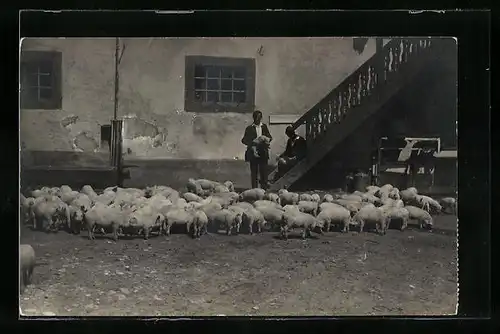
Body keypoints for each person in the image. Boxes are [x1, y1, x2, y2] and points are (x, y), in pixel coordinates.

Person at [241, 110, 273, 189]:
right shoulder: (250, 128)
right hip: (253, 152)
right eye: (256, 118)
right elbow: (244, 140)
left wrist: (265, 139)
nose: (258, 119)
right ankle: (254, 189)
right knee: (254, 172)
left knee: (264, 172)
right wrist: (253, 142)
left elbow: (269, 137)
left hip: (263, 152)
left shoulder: (264, 127)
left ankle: (264, 189)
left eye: (259, 118)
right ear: (254, 118)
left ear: (261, 118)